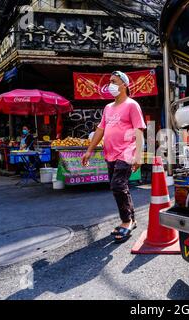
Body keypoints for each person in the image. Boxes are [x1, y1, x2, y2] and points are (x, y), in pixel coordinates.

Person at [82, 71, 146, 243]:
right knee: (119, 186)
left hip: (126, 151)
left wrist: (139, 156)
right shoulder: (108, 108)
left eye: (114, 81)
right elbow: (100, 130)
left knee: (117, 185)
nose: (110, 84)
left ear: (124, 85)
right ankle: (131, 218)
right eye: (109, 81)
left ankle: (126, 221)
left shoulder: (132, 105)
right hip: (110, 153)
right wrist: (89, 150)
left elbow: (139, 130)